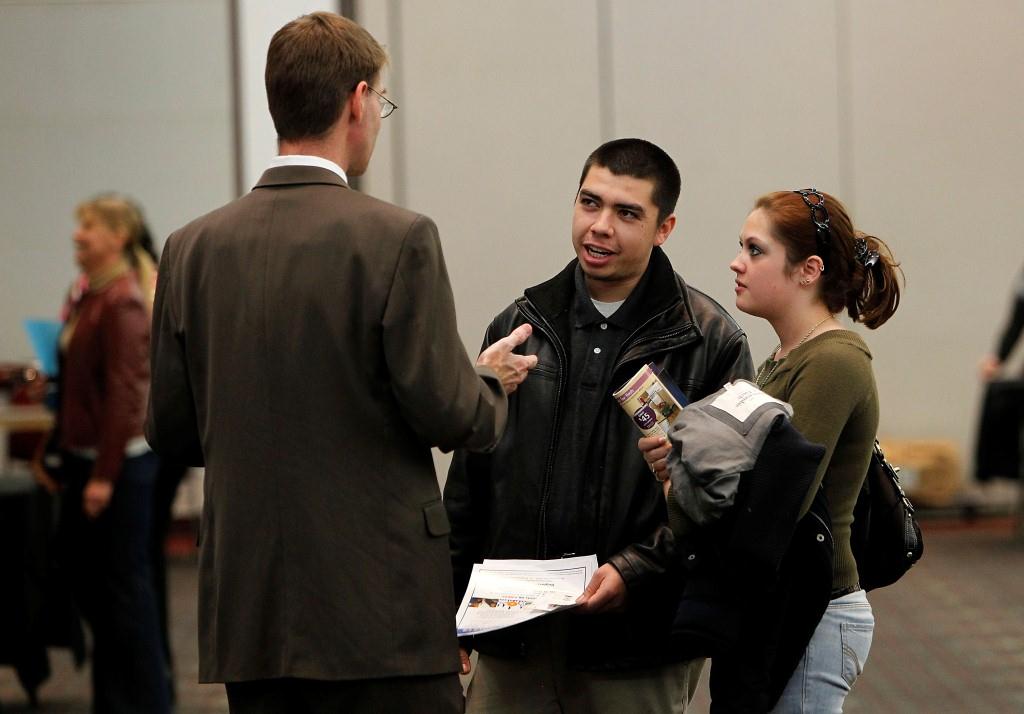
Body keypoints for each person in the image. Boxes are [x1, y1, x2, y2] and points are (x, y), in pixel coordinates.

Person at [145, 11, 535, 714]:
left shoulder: (190, 247)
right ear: (357, 101)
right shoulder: (397, 238)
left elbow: (170, 430)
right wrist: (488, 381)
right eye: (379, 103)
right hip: (379, 611)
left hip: (252, 612)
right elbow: (449, 411)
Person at [444, 138, 753, 713]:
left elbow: (721, 502)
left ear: (665, 228)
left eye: (627, 213)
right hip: (515, 637)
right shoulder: (518, 326)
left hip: (636, 643)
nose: (600, 226)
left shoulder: (707, 340)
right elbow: (470, 482)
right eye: (590, 203)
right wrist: (449, 603)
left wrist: (635, 570)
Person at [645, 188, 902, 711]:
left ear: (808, 270)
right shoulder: (785, 358)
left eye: (756, 250)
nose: (736, 263)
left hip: (813, 610)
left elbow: (776, 506)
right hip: (784, 604)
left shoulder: (833, 361)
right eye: (741, 246)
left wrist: (684, 478)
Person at [35, 194, 169, 712]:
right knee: (104, 596)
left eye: (88, 227)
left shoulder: (123, 302)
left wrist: (104, 478)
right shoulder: (94, 294)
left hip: (117, 470)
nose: (77, 235)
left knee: (125, 599)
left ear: (117, 236)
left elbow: (124, 398)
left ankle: (150, 703)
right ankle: (114, 702)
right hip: (90, 461)